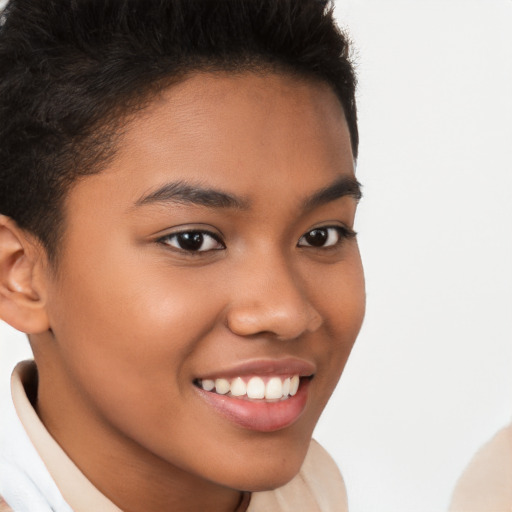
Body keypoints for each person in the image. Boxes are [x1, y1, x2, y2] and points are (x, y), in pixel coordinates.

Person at [0, 1, 365, 510]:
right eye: (193, 240)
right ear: (18, 275)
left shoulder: (312, 490)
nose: (285, 311)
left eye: (322, 235)